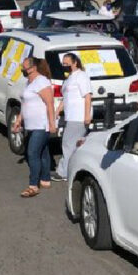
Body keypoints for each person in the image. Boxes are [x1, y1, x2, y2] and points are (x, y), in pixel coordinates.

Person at [13, 57, 56, 198]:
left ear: (33, 68)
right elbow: (24, 104)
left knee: (32, 153)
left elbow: (49, 103)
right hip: (31, 125)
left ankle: (33, 186)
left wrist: (52, 124)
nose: (22, 69)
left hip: (41, 125)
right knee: (43, 152)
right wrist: (19, 119)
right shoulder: (28, 82)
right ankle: (45, 180)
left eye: (24, 67)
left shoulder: (42, 81)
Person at [52, 53, 91, 181]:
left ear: (75, 63)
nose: (65, 66)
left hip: (78, 116)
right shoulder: (69, 78)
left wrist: (86, 115)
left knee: (68, 144)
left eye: (67, 63)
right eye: (63, 63)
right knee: (73, 145)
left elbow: (87, 96)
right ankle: (71, 171)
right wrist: (58, 111)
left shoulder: (81, 76)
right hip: (71, 116)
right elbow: (66, 98)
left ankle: (63, 172)